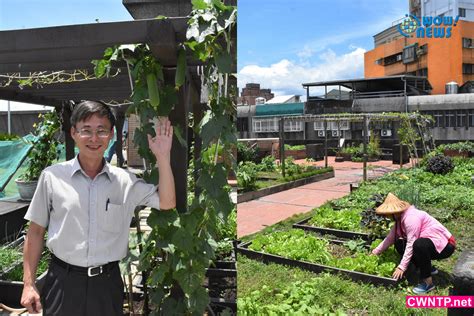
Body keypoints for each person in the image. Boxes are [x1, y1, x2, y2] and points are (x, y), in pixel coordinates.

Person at [20, 101, 176, 315]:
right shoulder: (52, 177)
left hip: (106, 284)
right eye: (86, 131)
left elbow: (167, 203)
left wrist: (163, 157)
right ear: (73, 133)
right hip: (62, 281)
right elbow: (35, 232)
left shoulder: (125, 182)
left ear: (111, 135)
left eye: (101, 131)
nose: (94, 139)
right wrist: (29, 284)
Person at [371, 193, 455, 294]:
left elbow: (411, 243)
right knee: (399, 243)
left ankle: (428, 283)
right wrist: (374, 252)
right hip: (432, 244)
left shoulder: (410, 218)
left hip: (446, 245)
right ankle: (427, 267)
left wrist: (401, 267)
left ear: (394, 212)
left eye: (388, 213)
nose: (387, 216)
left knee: (419, 245)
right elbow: (389, 239)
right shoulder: (399, 219)